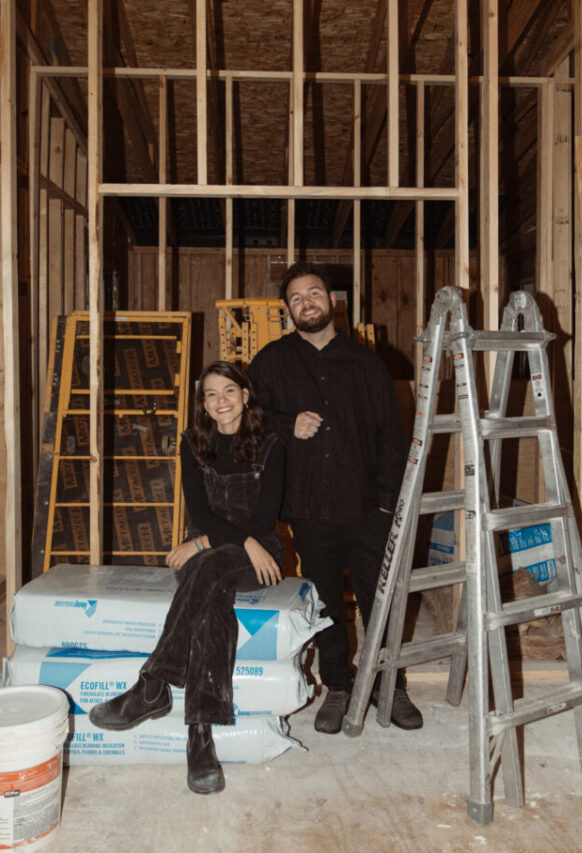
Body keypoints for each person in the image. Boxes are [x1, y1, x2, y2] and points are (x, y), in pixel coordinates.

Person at [89, 361, 285, 794]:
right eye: (211, 395)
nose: (221, 402)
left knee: (211, 563)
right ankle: (200, 736)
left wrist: (240, 544)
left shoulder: (271, 444)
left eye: (229, 391)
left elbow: (264, 517)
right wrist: (211, 542)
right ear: (203, 404)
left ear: (245, 395)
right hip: (211, 552)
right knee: (211, 607)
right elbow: (199, 513)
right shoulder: (193, 443)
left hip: (258, 557)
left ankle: (152, 684)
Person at [247, 262, 423, 735]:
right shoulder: (270, 362)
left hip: (368, 507)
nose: (307, 303)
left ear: (332, 302)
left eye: (315, 294)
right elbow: (247, 420)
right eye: (297, 299)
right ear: (289, 311)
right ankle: (338, 687)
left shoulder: (367, 363)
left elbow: (392, 436)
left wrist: (389, 504)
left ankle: (392, 685)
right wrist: (288, 424)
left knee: (378, 600)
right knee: (324, 603)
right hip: (307, 508)